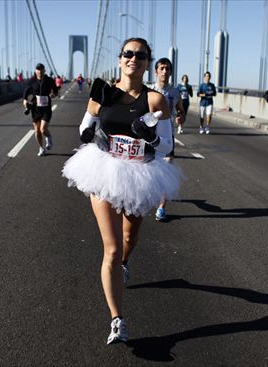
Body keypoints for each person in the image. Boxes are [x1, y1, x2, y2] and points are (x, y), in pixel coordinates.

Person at [62, 37, 182, 344]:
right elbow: (84, 129)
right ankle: (117, 319)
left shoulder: (156, 101)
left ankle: (125, 264)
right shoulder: (103, 92)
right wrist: (93, 134)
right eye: (128, 53)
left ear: (146, 63)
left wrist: (150, 139)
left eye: (140, 55)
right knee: (112, 248)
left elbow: (167, 145)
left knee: (130, 238)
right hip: (104, 170)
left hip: (140, 173)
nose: (133, 58)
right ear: (120, 60)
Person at [150, 57, 185, 221]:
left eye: (168, 69)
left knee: (166, 168)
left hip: (167, 135)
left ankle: (161, 208)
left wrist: (180, 118)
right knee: (147, 169)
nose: (165, 71)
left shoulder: (175, 92)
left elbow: (181, 111)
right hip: (149, 135)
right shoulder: (148, 90)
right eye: (162, 68)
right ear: (156, 71)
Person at [23, 63, 59, 156]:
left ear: (44, 70)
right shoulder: (32, 81)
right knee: (37, 130)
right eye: (38, 70)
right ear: (35, 71)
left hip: (46, 108)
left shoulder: (49, 80)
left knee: (43, 129)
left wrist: (53, 95)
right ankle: (41, 148)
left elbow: (55, 91)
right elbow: (26, 93)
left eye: (41, 69)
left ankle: (49, 137)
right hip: (35, 109)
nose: (40, 71)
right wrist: (25, 100)